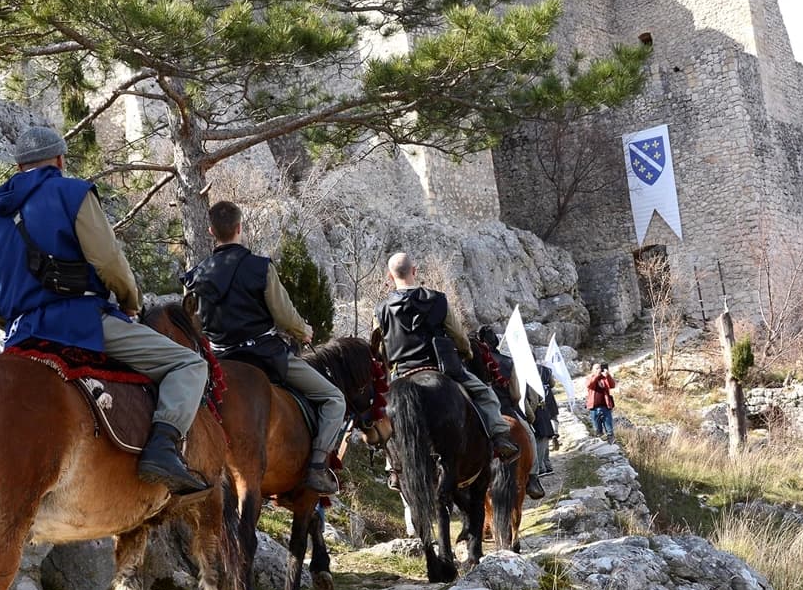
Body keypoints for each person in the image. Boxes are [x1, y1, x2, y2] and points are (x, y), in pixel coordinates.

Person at [0, 125, 209, 494]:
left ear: (19, 167)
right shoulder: (73, 192)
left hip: (21, 334)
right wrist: (131, 302)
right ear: (60, 160)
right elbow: (108, 261)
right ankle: (162, 448)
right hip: (80, 323)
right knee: (189, 364)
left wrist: (20, 320)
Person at [182, 201, 343, 495]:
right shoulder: (260, 267)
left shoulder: (196, 275)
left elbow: (194, 323)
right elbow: (284, 316)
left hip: (218, 362)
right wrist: (303, 331)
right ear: (240, 228)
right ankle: (318, 467)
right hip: (265, 357)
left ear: (210, 232)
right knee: (334, 398)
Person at [376, 253, 520, 482]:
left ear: (389, 276)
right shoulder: (438, 299)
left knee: (384, 416)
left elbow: (380, 348)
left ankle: (392, 468)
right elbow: (458, 336)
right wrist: (467, 352)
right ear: (415, 270)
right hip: (441, 368)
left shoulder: (381, 309)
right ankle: (500, 438)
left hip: (401, 372)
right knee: (485, 394)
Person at [476, 326, 544, 500]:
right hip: (505, 408)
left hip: (480, 410)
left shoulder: (472, 358)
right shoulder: (507, 362)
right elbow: (516, 394)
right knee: (529, 435)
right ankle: (533, 479)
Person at [586, 362, 616, 444]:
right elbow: (589, 385)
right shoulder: (590, 378)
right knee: (597, 429)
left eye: (600, 368)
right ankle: (601, 443)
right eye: (597, 368)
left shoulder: (604, 378)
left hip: (605, 406)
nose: (599, 370)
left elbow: (612, 385)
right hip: (594, 408)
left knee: (609, 428)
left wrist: (608, 375)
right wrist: (597, 375)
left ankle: (612, 444)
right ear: (592, 371)